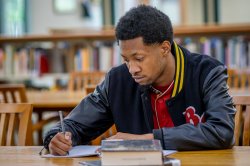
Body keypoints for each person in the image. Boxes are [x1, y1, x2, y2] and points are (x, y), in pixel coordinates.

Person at [44, 5, 235, 155]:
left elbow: (222, 131)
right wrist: (57, 137)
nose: (132, 69)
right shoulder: (117, 80)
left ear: (165, 48)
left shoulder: (207, 72)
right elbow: (75, 124)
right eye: (126, 60)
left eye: (139, 58)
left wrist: (148, 139)